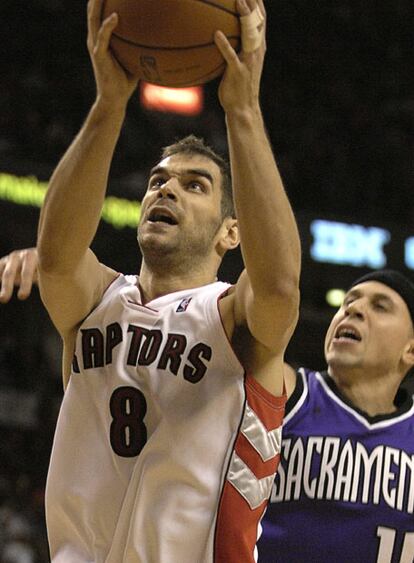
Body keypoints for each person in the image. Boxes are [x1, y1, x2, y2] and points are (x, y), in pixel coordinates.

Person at [1, 0, 301, 561]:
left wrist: (244, 111)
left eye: (195, 186)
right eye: (158, 180)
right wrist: (109, 103)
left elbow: (282, 285)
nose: (165, 190)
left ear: (231, 233)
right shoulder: (95, 299)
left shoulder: (236, 318)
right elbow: (58, 255)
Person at [258, 269, 414, 563]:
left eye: (380, 306)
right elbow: (266, 296)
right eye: (348, 302)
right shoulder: (289, 391)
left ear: (410, 350)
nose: (352, 308)